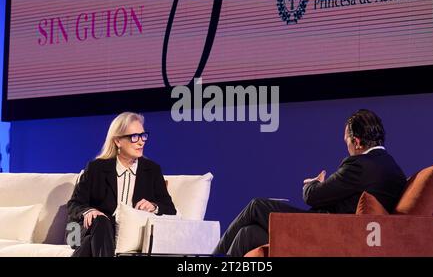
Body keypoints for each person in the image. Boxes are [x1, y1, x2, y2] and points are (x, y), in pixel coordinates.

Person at [213, 109, 407, 257]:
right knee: (248, 234)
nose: (347, 147)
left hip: (324, 235)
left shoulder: (360, 165)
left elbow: (312, 197)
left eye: (347, 141)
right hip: (337, 233)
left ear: (356, 142)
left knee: (256, 206)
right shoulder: (394, 169)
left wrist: (311, 184)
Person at [66, 112, 176, 257]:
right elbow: (74, 204)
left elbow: (170, 209)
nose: (141, 142)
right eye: (134, 137)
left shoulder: (152, 170)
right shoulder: (96, 168)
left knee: (90, 242)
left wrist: (154, 206)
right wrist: (89, 211)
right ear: (118, 141)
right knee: (101, 222)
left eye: (143, 136)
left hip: (127, 234)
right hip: (82, 231)